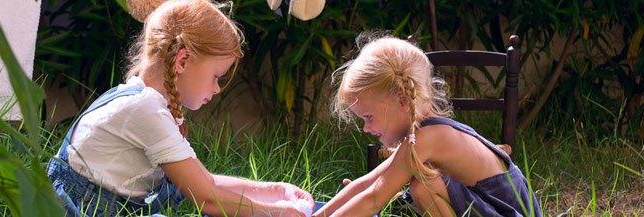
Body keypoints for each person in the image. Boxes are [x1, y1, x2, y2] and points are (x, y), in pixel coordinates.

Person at [46, 0, 313, 216]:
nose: (217, 88)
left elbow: (205, 182)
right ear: (182, 61)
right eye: (216, 77)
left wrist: (276, 191)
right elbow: (206, 198)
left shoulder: (144, 100)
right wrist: (278, 213)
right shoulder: (144, 108)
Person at [313, 33, 542, 217]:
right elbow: (369, 181)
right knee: (423, 181)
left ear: (402, 100)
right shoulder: (424, 133)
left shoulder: (429, 138)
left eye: (368, 117)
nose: (365, 127)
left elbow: (374, 197)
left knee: (422, 186)